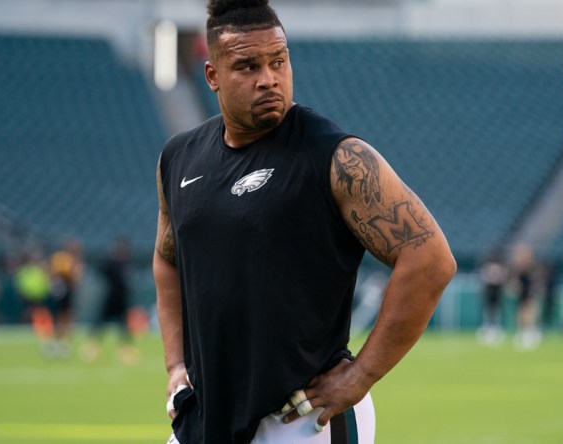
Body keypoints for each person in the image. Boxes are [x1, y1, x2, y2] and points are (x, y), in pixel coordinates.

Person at [153, 1, 457, 443]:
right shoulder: (178, 158)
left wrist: (361, 375)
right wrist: (176, 366)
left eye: (279, 60)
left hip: (301, 421)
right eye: (248, 66)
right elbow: (166, 258)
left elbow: (431, 260)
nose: (268, 78)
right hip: (204, 419)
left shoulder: (336, 156)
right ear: (212, 76)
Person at [82, 239, 138, 364]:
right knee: (101, 324)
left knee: (122, 327)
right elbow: (100, 270)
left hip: (121, 300)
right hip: (111, 299)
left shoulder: (126, 264)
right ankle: (92, 347)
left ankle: (125, 351)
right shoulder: (111, 263)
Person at [48, 239, 84, 358]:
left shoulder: (75, 260)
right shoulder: (61, 258)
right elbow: (55, 273)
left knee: (68, 318)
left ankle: (63, 344)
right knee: (61, 317)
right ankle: (57, 343)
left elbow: (76, 279)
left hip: (68, 290)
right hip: (61, 290)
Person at [476, 250, 509, 346]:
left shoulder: (499, 268)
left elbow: (502, 279)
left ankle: (495, 329)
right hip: (489, 293)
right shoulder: (489, 267)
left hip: (497, 294)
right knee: (488, 312)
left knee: (496, 312)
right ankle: (488, 329)